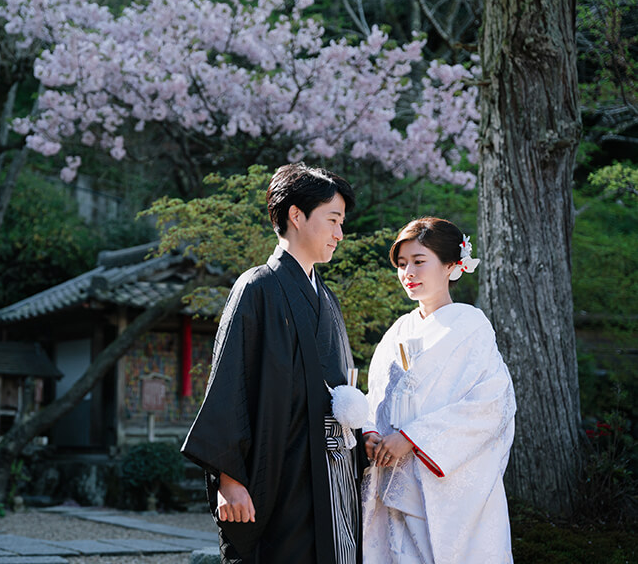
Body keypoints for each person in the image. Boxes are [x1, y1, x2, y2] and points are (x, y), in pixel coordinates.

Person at [182, 163, 362, 564]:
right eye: (333, 220)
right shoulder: (257, 287)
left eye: (341, 223)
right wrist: (229, 479)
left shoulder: (327, 298)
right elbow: (230, 384)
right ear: (296, 215)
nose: (339, 234)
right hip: (281, 469)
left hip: (331, 472)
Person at [361, 217, 516, 564]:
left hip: (441, 482)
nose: (408, 273)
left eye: (419, 261)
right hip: (392, 475)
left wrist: (413, 438)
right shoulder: (398, 330)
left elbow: (491, 404)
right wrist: (370, 432)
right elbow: (376, 396)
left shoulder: (471, 326)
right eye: (402, 264)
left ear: (450, 265)